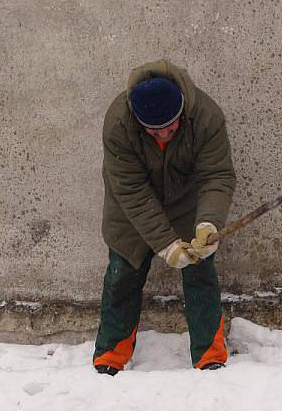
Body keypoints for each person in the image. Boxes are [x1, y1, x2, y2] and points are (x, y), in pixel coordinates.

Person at [93, 59, 236, 376]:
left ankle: (209, 354)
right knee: (122, 275)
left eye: (170, 127)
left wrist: (209, 222)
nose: (164, 135)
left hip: (186, 202)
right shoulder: (119, 122)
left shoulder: (206, 117)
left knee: (200, 274)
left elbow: (217, 176)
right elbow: (130, 189)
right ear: (138, 119)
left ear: (182, 111)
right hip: (130, 208)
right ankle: (111, 355)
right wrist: (165, 245)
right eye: (154, 130)